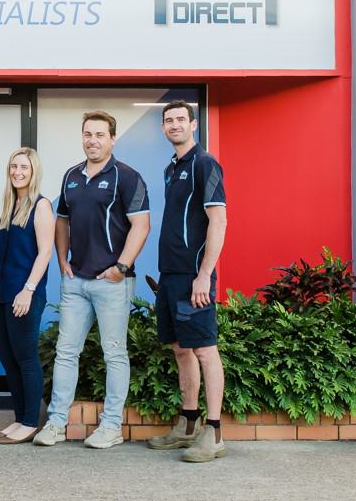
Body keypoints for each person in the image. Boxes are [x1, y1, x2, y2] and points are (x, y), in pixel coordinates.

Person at [34, 110, 151, 449]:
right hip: (76, 281)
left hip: (112, 283)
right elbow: (62, 220)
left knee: (114, 354)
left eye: (100, 135)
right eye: (88, 134)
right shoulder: (71, 176)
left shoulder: (127, 177)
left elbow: (141, 225)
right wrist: (62, 260)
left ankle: (111, 427)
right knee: (65, 352)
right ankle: (56, 423)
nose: (93, 140)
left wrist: (121, 267)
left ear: (112, 139)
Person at [146, 100, 228, 462]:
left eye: (181, 119)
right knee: (181, 349)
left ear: (193, 124)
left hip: (195, 276)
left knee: (205, 350)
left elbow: (218, 221)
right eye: (169, 120)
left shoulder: (205, 164)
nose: (175, 124)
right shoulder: (172, 168)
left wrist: (204, 275)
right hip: (171, 275)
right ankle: (188, 424)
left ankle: (214, 432)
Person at [0, 148, 55, 444]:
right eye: (14, 166)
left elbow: (45, 252)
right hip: (3, 292)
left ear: (34, 171)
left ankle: (29, 422)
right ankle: (18, 418)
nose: (17, 172)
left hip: (24, 295)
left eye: (24, 167)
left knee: (25, 358)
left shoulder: (41, 205)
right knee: (8, 358)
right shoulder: (10, 204)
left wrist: (28, 290)